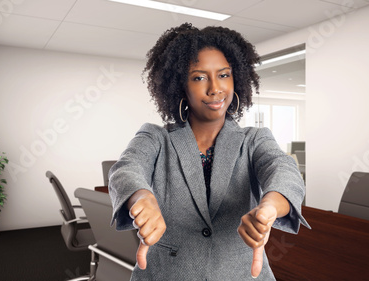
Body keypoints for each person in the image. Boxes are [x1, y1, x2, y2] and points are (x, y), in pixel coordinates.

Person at [109, 23, 309, 281]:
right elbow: (126, 168)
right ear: (180, 86)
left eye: (224, 75)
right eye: (199, 77)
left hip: (242, 274)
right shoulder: (155, 137)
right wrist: (140, 196)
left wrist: (270, 205)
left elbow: (282, 168)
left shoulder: (254, 139)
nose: (215, 88)